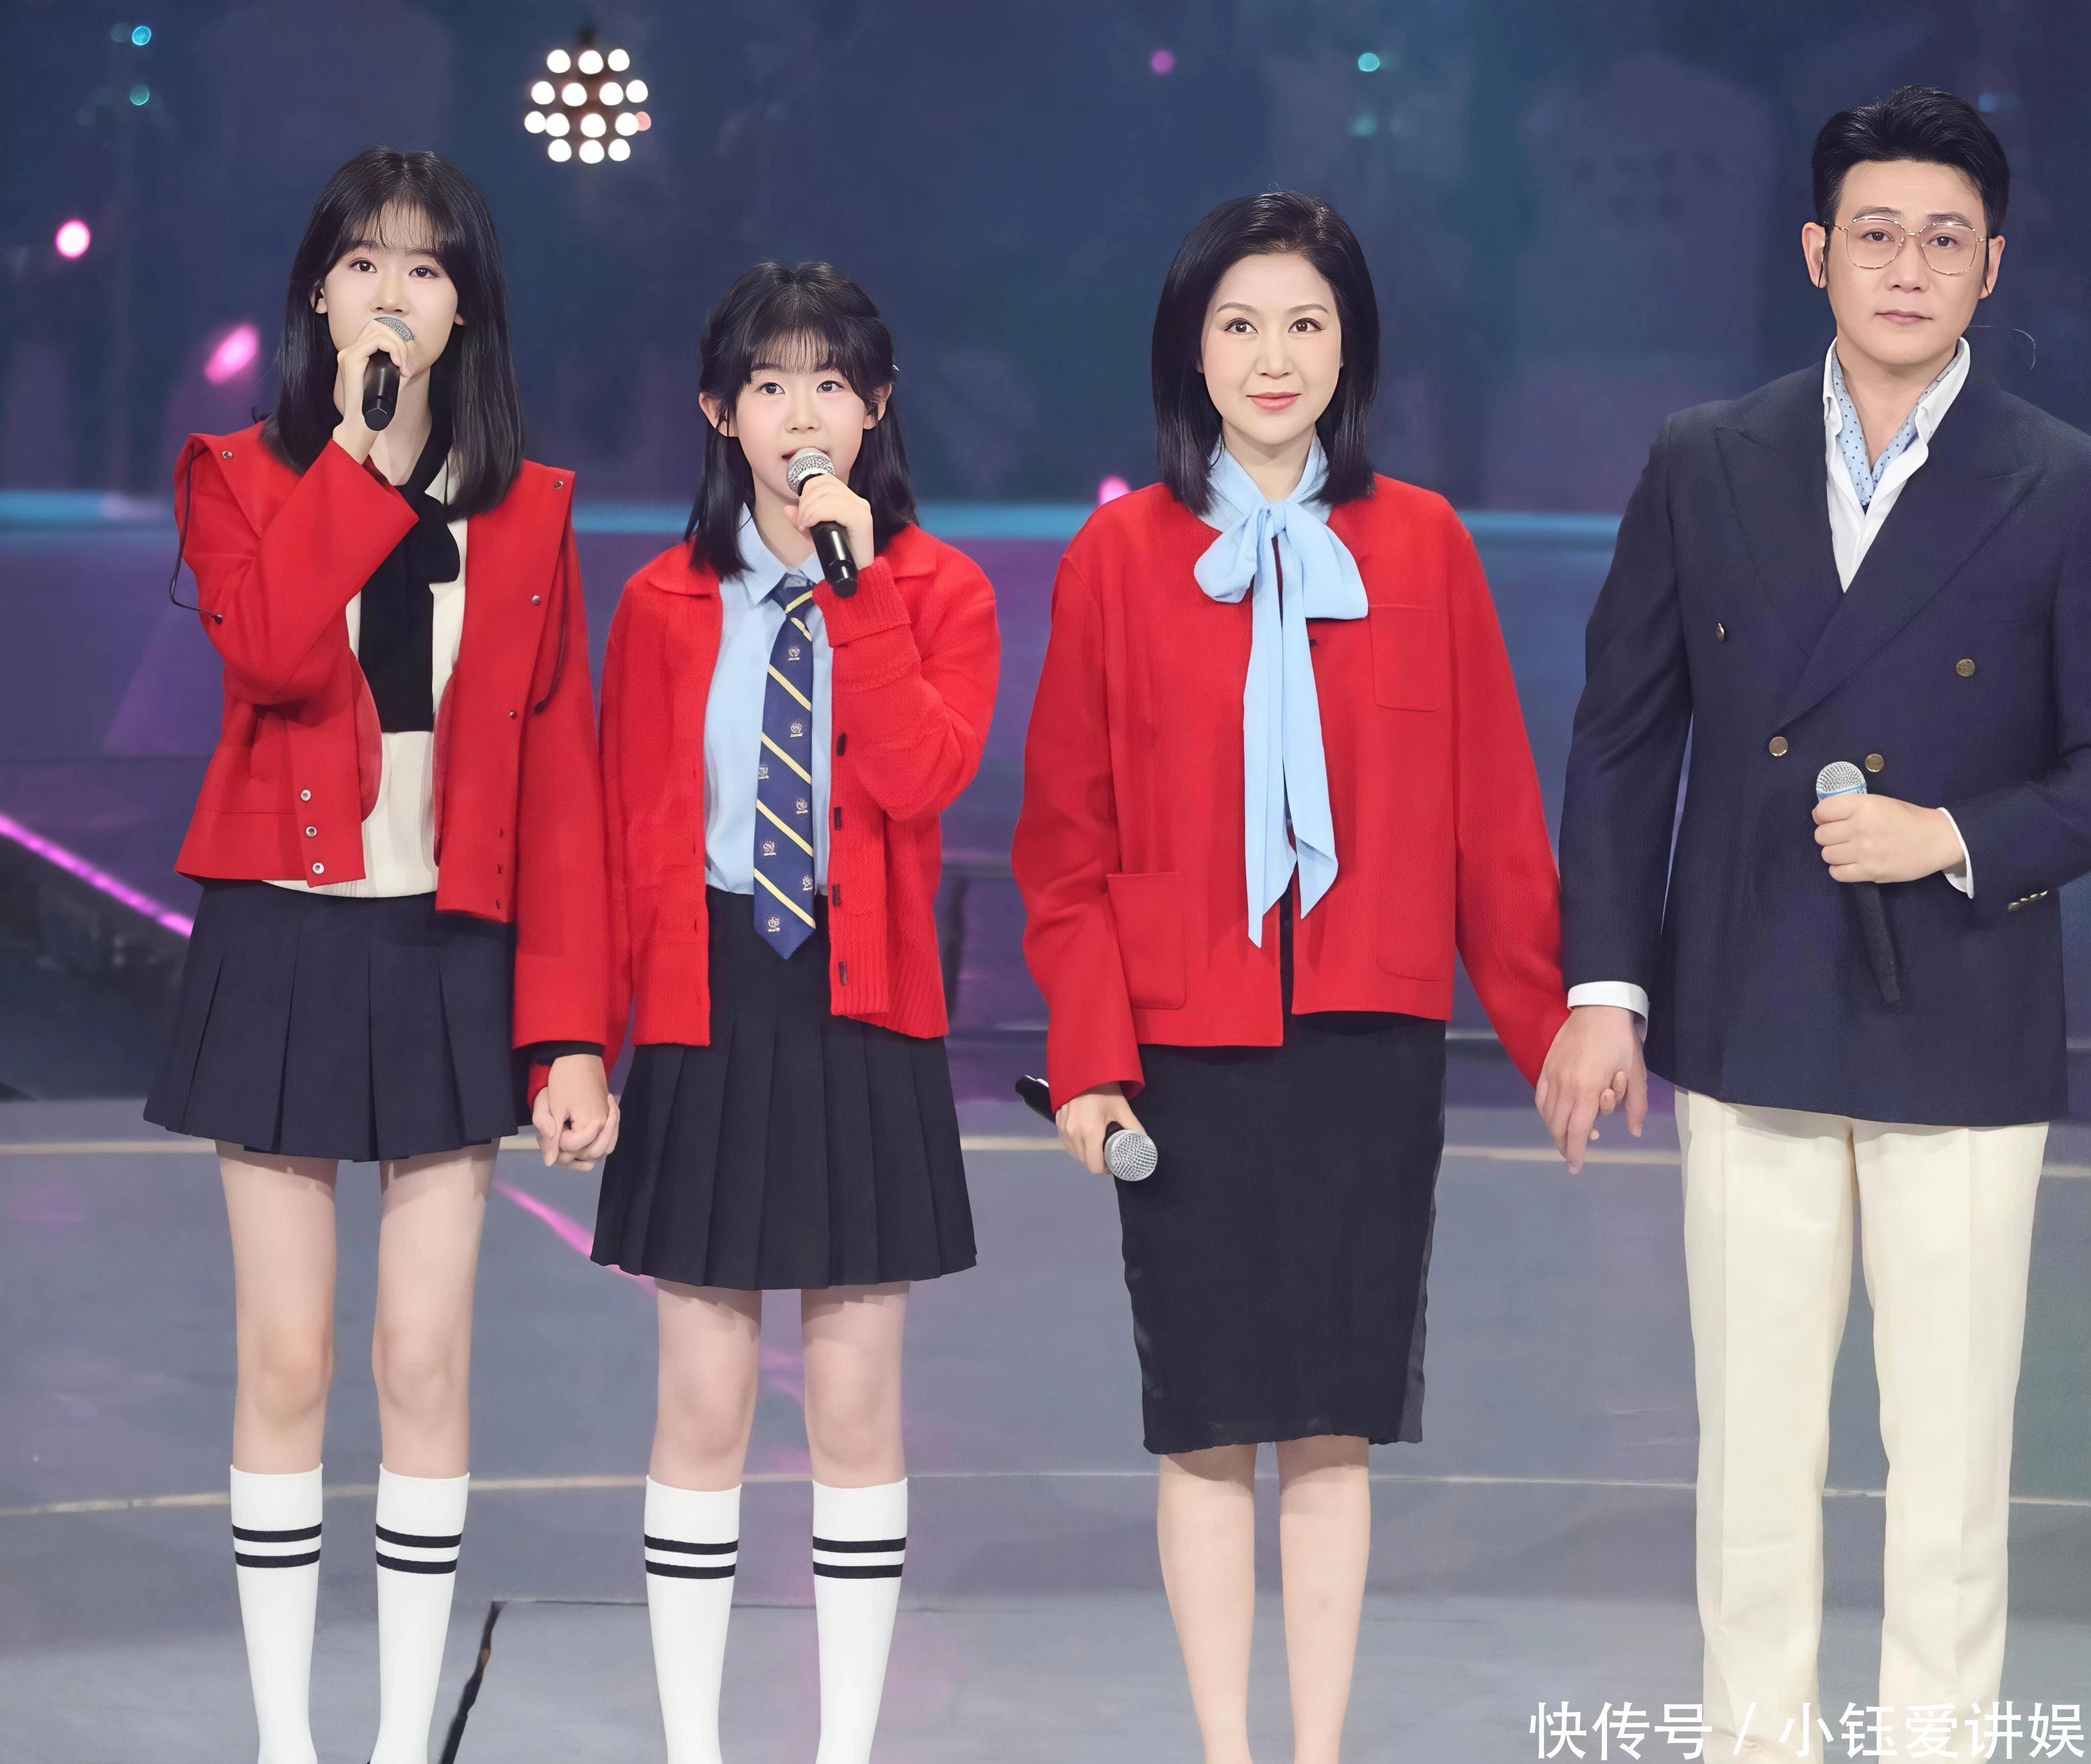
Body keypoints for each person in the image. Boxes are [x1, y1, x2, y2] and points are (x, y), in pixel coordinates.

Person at [1545, 85, 2090, 1762]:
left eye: (1944, 240)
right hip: (1752, 1002)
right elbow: (1624, 736)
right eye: (1876, 235)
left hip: (1965, 1010)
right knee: (1755, 1460)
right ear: (1814, 254)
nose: (1907, 269)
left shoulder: (2061, 480)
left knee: (1953, 1469)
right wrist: (1605, 987)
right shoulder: (1706, 457)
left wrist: (1954, 836)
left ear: (1993, 266)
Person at [1012, 191, 1573, 1764]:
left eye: (1308, 324)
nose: (1275, 357)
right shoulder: (1118, 556)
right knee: (1203, 1426)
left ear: (1352, 350)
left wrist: (1552, 1028)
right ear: (1190, 352)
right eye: (1241, 324)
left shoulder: (1427, 546)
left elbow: (1493, 818)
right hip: (1180, 1049)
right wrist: (1091, 1057)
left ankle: (1317, 1751)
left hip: (1366, 1042)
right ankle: (1226, 1748)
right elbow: (1065, 844)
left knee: (1335, 1428)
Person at [144, 148, 615, 1764]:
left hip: (447, 950)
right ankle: (288, 1741)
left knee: (425, 1359)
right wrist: (354, 454)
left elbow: (562, 792)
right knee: (286, 1357)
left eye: (424, 267)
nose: (392, 292)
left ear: (464, 308)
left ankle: (407, 1738)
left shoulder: (533, 512)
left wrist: (572, 1031)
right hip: (280, 935)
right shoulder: (238, 477)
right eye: (362, 263)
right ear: (319, 296)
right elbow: (274, 653)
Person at [591, 260, 999, 1764]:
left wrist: (858, 588)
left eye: (831, 383)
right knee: (702, 1400)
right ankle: (693, 1747)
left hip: (863, 998)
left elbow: (916, 776)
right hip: (707, 1000)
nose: (802, 413)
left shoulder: (941, 592)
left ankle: (845, 1749)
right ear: (720, 413)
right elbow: (615, 841)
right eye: (769, 385)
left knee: (854, 1403)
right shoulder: (658, 603)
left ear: (877, 406)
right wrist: (581, 1045)